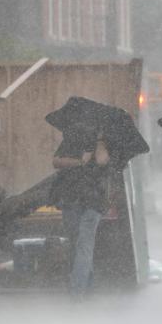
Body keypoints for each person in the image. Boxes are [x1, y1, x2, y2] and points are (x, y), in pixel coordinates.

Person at [50, 122, 111, 299]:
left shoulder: (104, 143)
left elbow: (101, 160)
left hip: (92, 202)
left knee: (84, 244)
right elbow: (56, 161)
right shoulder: (72, 140)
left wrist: (99, 141)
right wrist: (79, 161)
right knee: (77, 243)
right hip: (72, 199)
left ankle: (77, 292)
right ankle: (88, 287)